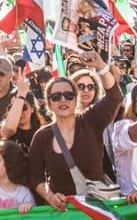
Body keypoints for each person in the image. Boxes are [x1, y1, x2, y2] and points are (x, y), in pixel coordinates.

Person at [29, 52, 123, 210]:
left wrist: (101, 66)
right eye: (56, 97)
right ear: (49, 103)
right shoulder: (41, 137)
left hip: (99, 210)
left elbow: (115, 97)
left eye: (68, 95)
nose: (63, 100)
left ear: (76, 99)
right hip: (64, 213)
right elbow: (36, 177)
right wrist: (50, 197)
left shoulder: (91, 121)